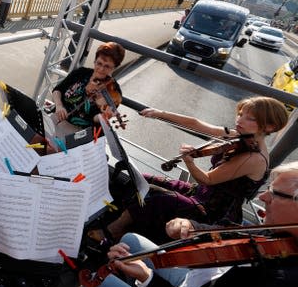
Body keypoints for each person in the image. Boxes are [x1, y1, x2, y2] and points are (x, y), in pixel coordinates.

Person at [66, 161, 298, 287]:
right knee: (131, 240)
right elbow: (231, 233)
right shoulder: (279, 236)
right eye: (269, 188)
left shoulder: (284, 285)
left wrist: (148, 280)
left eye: (276, 194)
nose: (262, 197)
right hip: (207, 285)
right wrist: (193, 227)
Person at [93, 96, 288, 244]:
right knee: (140, 179)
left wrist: (190, 161)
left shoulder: (255, 158)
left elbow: (208, 179)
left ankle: (113, 230)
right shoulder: (240, 135)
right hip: (199, 193)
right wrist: (159, 113)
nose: (240, 119)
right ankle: (120, 217)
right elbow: (197, 124)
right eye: (240, 114)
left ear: (268, 126)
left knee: (154, 195)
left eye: (250, 118)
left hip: (212, 212)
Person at [51, 42, 125, 137]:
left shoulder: (114, 92)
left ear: (114, 68)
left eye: (107, 66)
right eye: (99, 63)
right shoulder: (81, 73)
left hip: (80, 133)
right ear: (94, 61)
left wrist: (103, 117)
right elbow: (58, 90)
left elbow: (94, 119)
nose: (101, 69)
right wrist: (59, 106)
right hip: (58, 119)